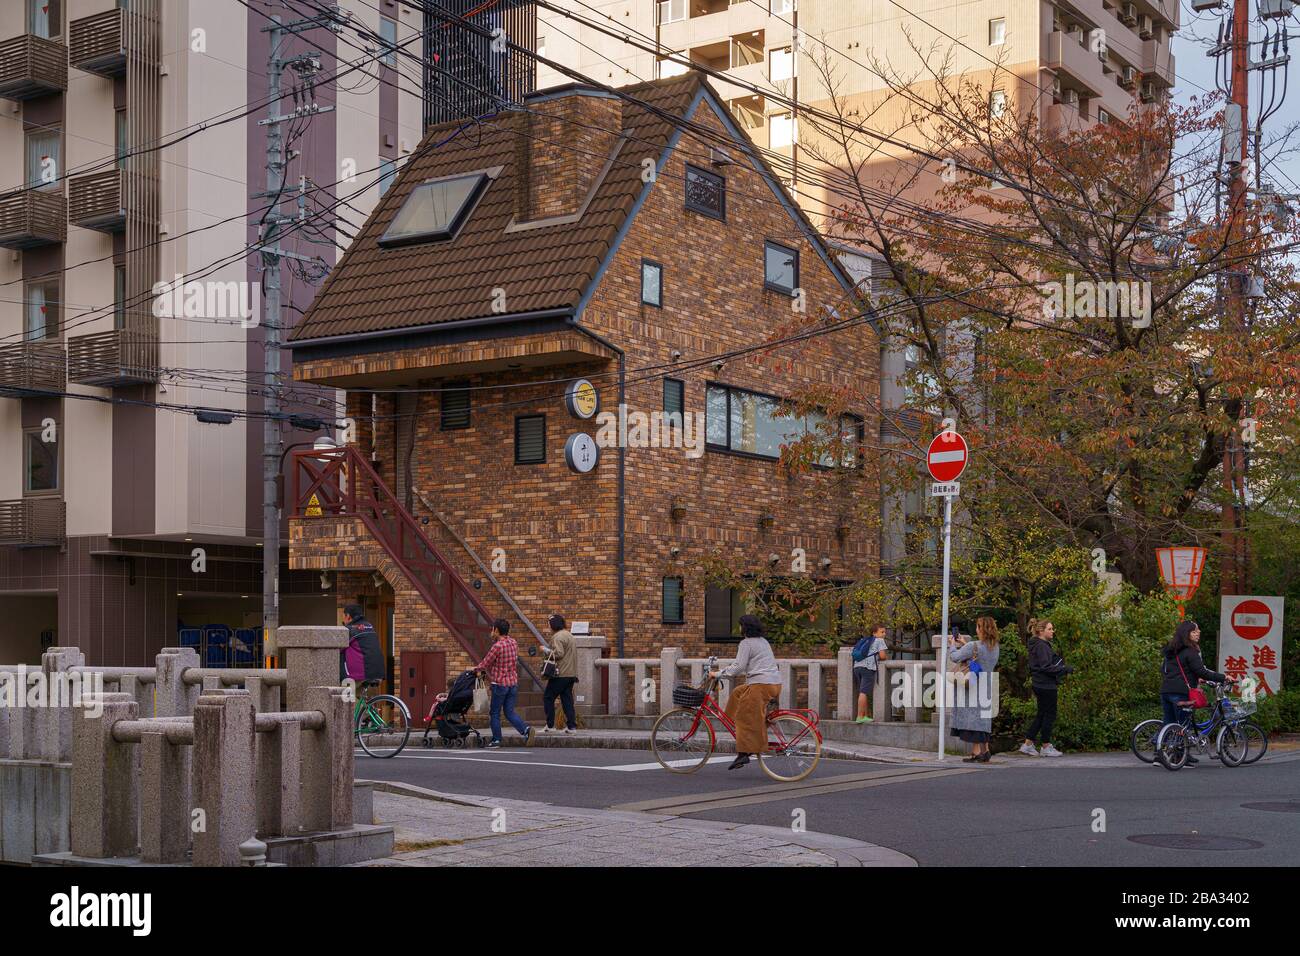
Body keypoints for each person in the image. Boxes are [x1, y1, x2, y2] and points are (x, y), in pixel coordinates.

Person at [714, 615, 783, 771]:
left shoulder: (746, 643)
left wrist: (718, 674)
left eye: (740, 626)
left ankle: (744, 752)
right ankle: (739, 730)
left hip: (760, 685)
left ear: (744, 627)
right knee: (737, 693)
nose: (739, 628)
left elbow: (738, 667)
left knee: (744, 717)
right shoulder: (763, 641)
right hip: (774, 684)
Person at [1160, 619, 1232, 766]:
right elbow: (1202, 671)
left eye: (1198, 630)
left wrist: (1194, 679)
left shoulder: (1172, 651)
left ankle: (1160, 756)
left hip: (1166, 691)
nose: (1198, 632)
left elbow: (1167, 670)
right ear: (1187, 634)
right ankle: (1179, 757)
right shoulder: (1190, 651)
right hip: (1181, 692)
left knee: (1170, 723)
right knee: (1183, 725)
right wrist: (1224, 677)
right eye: (1194, 631)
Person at [476, 618, 534, 748]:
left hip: (500, 684)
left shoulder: (497, 646)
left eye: (492, 629)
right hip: (512, 683)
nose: (491, 631)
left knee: (495, 713)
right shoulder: (513, 642)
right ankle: (526, 730)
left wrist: (476, 669)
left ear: (496, 630)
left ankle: (496, 740)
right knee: (509, 712)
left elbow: (486, 662)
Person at [1019, 618, 1072, 757]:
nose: (1052, 631)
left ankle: (1028, 744)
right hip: (1046, 684)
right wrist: (1064, 669)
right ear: (1041, 631)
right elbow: (1046, 667)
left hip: (1039, 683)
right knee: (1049, 715)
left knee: (1042, 714)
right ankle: (1046, 746)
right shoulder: (1041, 645)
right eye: (1049, 629)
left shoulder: (1038, 644)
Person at [950, 616, 1000, 762]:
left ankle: (977, 752)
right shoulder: (995, 647)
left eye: (978, 627)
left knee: (972, 719)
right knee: (982, 718)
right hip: (986, 685)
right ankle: (985, 751)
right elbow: (981, 657)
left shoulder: (973, 646)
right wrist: (966, 644)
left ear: (981, 629)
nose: (976, 629)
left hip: (972, 686)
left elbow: (955, 657)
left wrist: (953, 644)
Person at [539, 613, 578, 734]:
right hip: (571, 673)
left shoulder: (557, 637)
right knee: (567, 700)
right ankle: (571, 727)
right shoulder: (569, 635)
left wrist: (545, 650)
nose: (549, 627)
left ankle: (550, 725)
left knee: (548, 697)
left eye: (549, 625)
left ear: (553, 625)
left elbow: (559, 653)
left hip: (561, 673)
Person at [340, 603, 385, 689]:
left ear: (348, 616)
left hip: (359, 674)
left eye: (344, 617)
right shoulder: (369, 626)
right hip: (377, 672)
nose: (344, 620)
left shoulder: (350, 630)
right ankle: (366, 703)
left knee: (343, 698)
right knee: (358, 699)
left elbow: (338, 648)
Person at [852, 625, 889, 723]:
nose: (884, 634)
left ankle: (865, 716)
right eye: (882, 632)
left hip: (857, 667)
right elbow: (882, 656)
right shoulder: (879, 641)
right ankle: (860, 716)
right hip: (868, 668)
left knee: (863, 691)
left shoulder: (866, 640)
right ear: (874, 633)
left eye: (884, 632)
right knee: (863, 692)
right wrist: (885, 657)